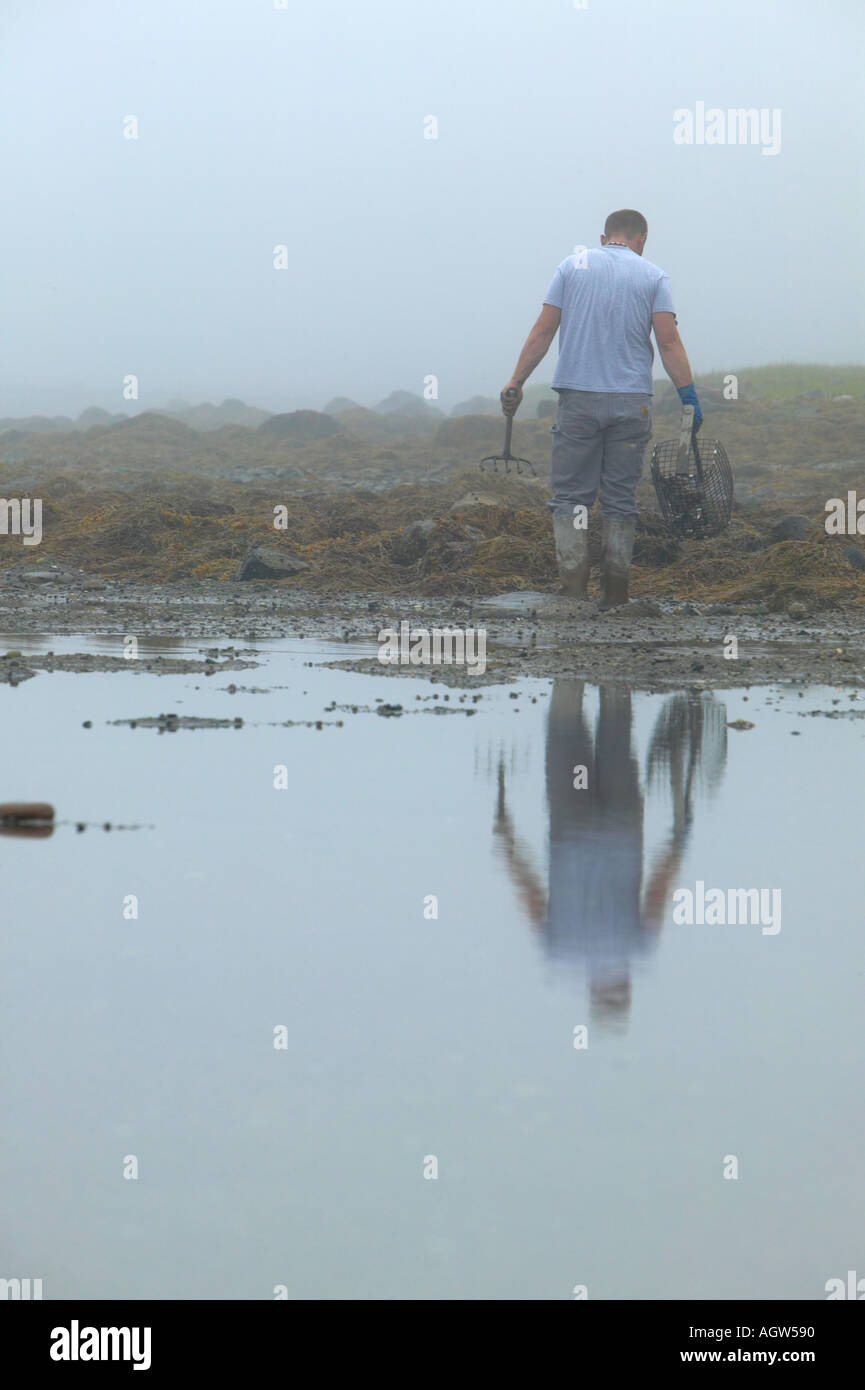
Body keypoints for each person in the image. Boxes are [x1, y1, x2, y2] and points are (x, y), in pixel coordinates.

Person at [500, 209, 702, 608]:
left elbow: (543, 330)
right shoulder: (653, 276)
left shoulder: (571, 267)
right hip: (631, 403)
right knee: (620, 498)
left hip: (578, 399)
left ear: (603, 236)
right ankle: (616, 595)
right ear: (642, 239)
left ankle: (574, 592)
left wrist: (516, 382)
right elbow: (668, 343)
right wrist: (689, 396)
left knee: (571, 497)